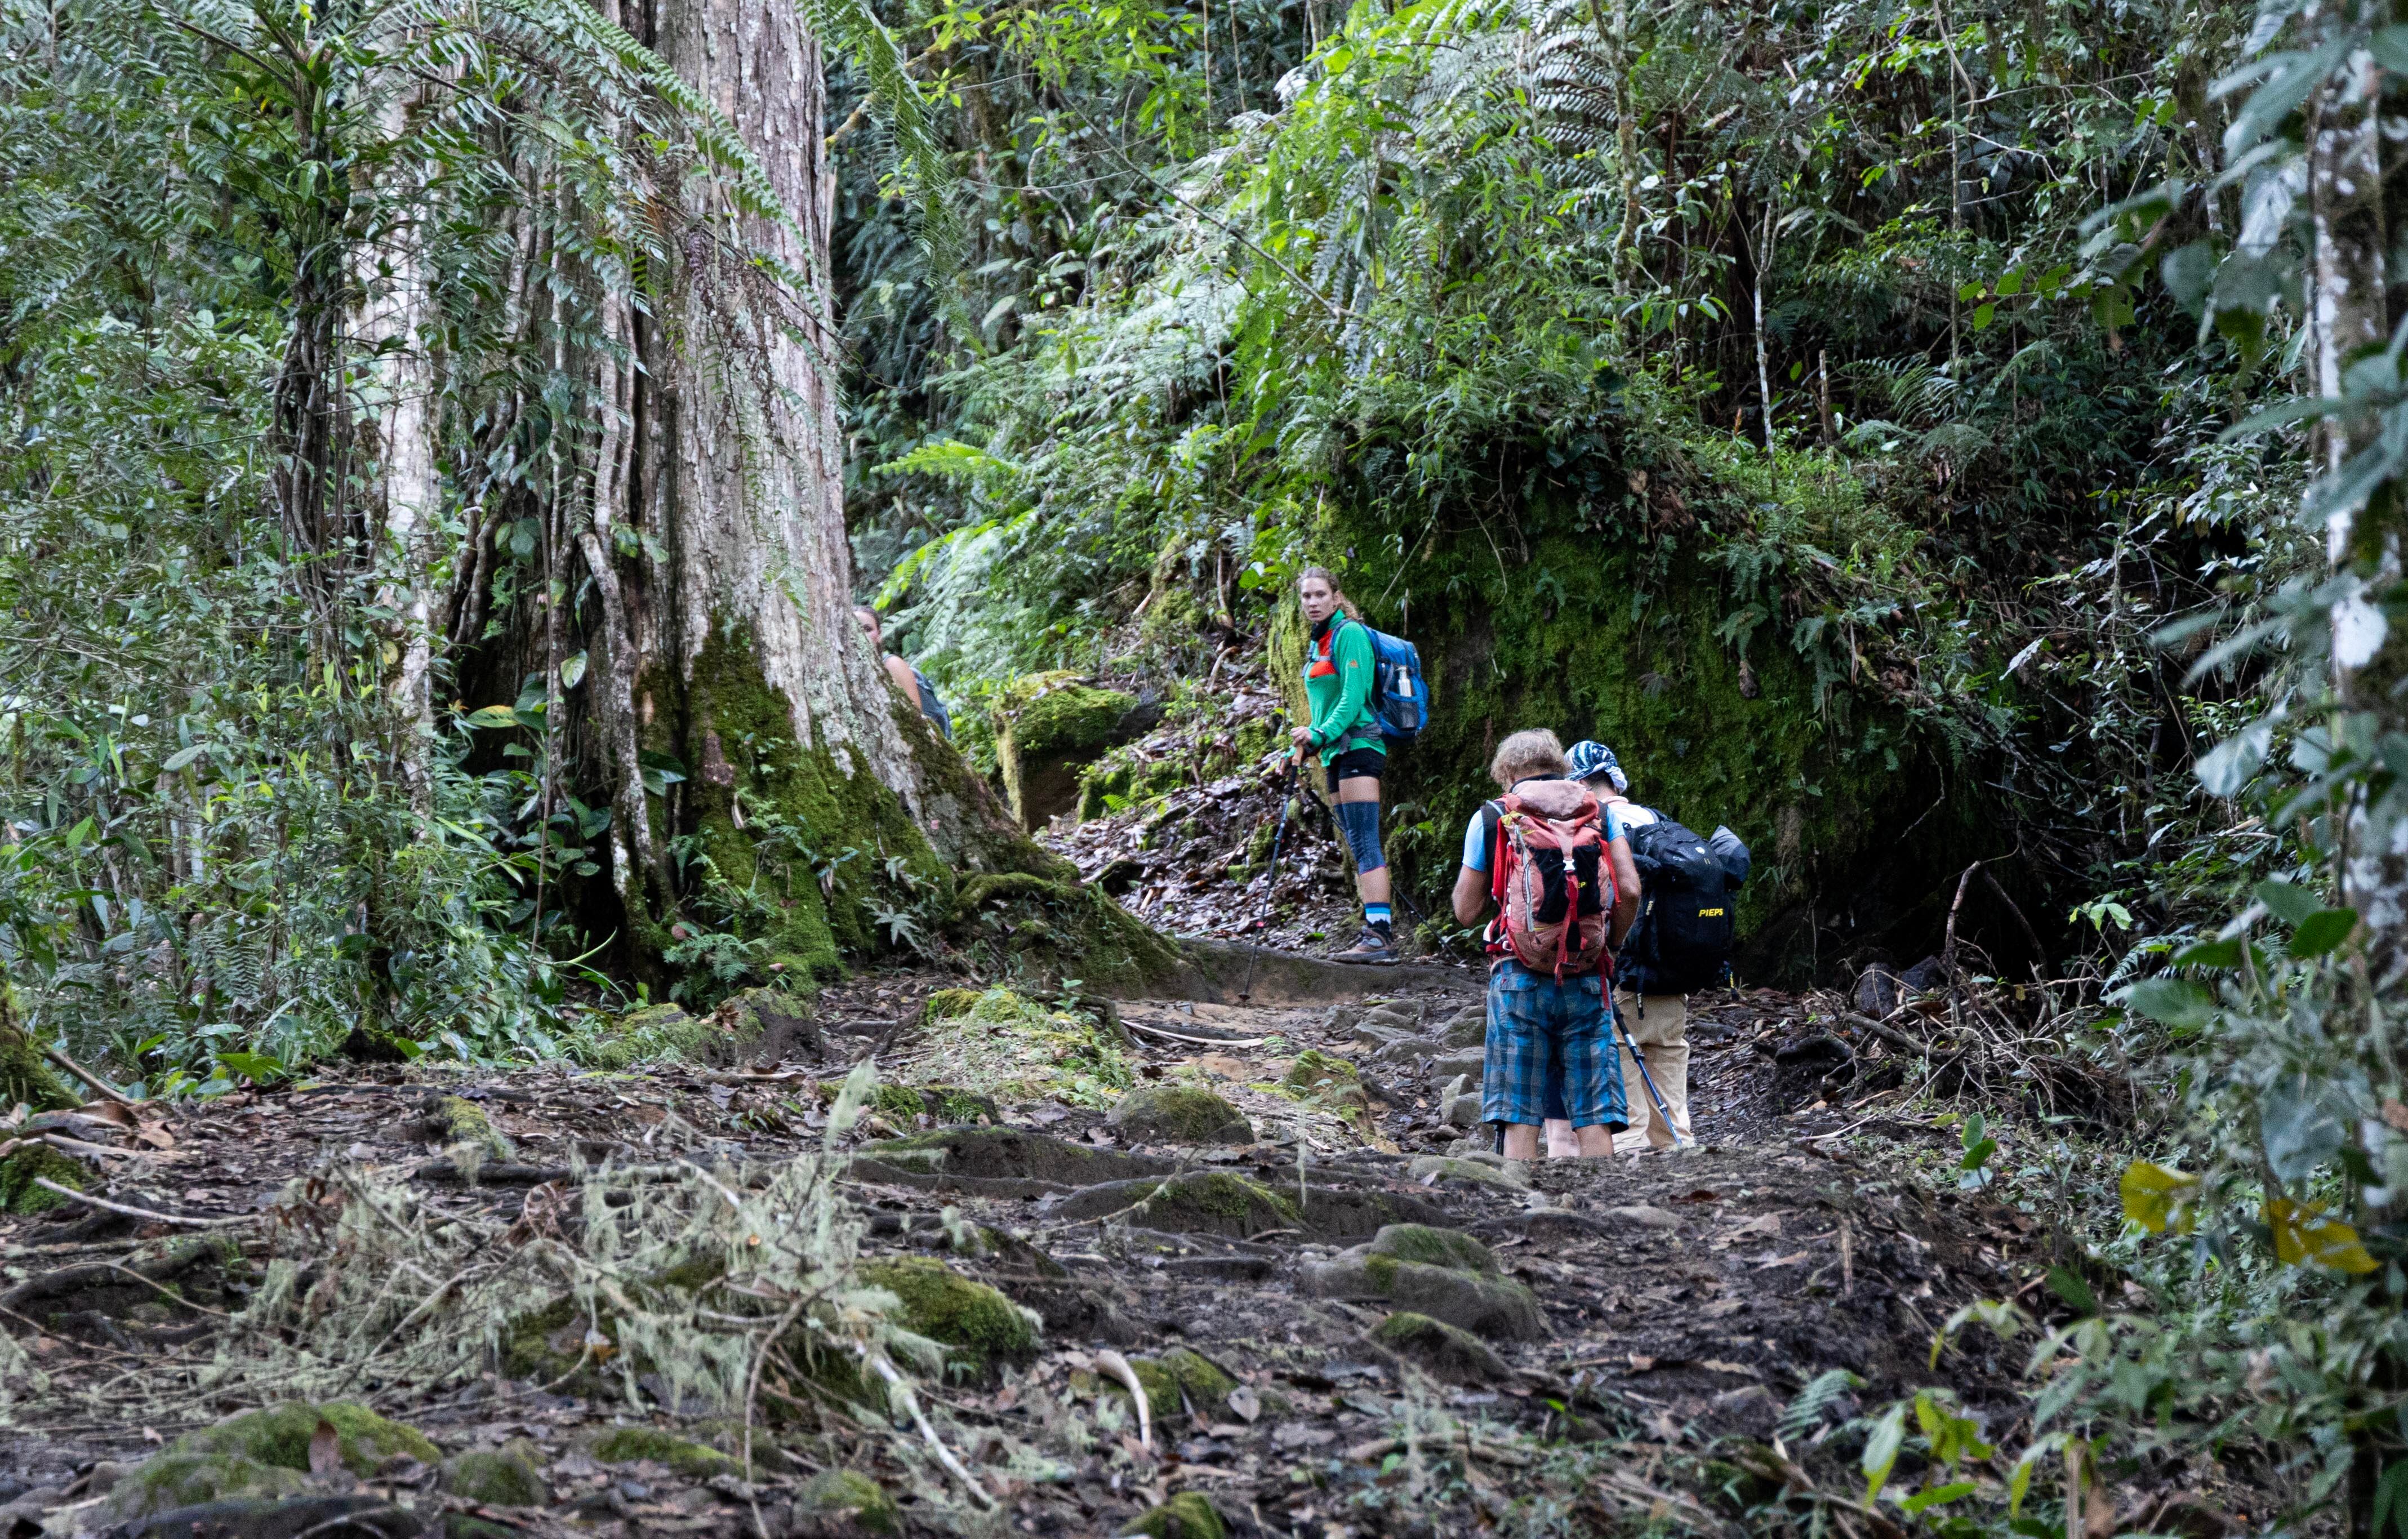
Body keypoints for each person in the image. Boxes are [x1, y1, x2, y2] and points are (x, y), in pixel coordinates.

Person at [1449, 729, 1637, 1159]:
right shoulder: (1599, 813)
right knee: (1594, 1110)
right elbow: (1629, 888)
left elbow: (1464, 909)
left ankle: (1522, 1203)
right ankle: (1605, 1203)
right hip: (1587, 969)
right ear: (1560, 766)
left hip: (1519, 972)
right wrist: (1611, 944)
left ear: (1507, 773)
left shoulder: (1494, 815)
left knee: (1519, 1109)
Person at [1548, 739, 1692, 1151]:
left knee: (1626, 1115)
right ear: (1613, 777)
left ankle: (1634, 1203)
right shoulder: (1658, 821)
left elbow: (1614, 896)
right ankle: (1685, 1180)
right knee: (1672, 1110)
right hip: (1672, 977)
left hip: (1621, 978)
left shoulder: (1594, 829)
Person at [1292, 567, 1394, 963]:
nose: (1313, 602)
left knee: (1366, 840)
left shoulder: (1349, 635)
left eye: (1320, 595)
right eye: (1306, 597)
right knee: (1355, 843)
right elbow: (1322, 709)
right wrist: (1306, 746)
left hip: (1360, 749)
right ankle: (1373, 927)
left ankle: (1380, 936)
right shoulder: (1318, 643)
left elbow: (1352, 700)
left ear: (1336, 597)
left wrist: (1319, 736)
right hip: (1335, 754)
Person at [853, 607, 952, 739]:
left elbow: (916, 721)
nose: (862, 635)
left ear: (879, 635)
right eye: (855, 629)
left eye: (867, 629)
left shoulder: (892, 665)